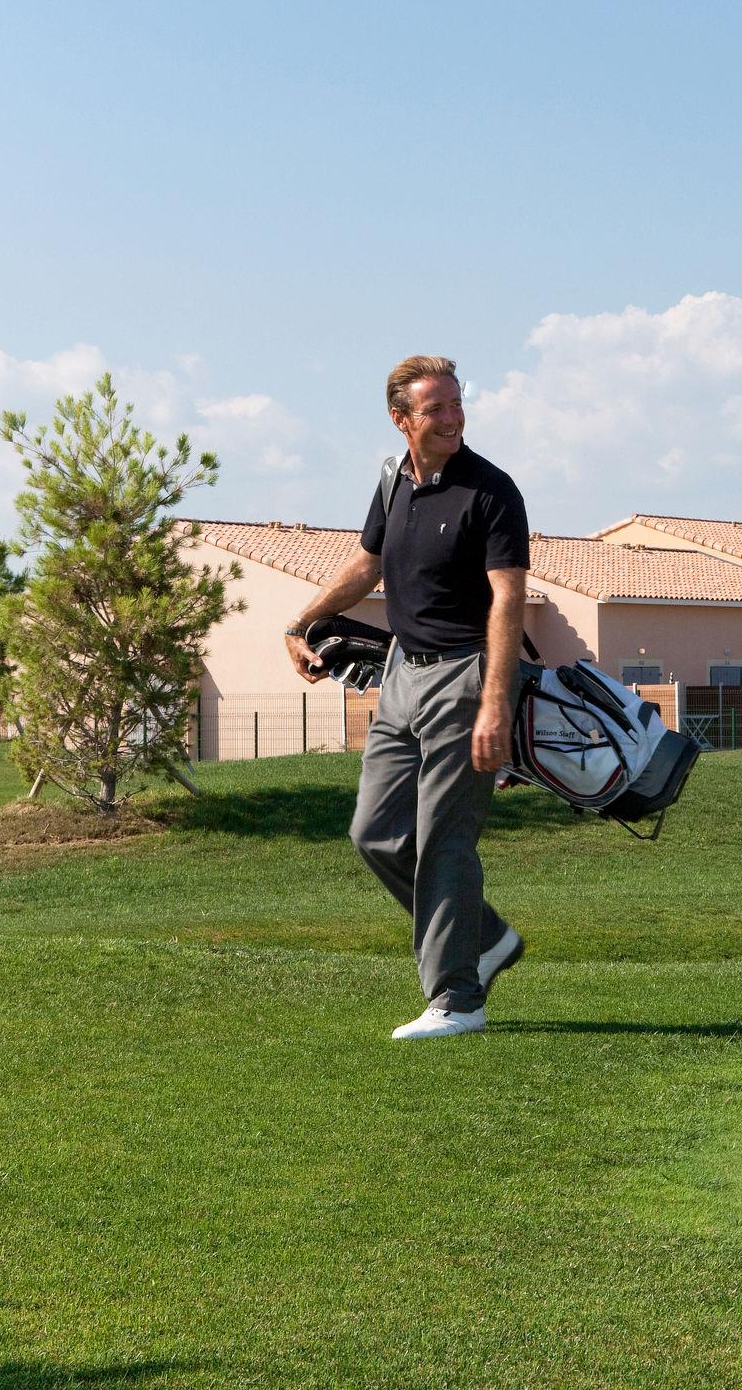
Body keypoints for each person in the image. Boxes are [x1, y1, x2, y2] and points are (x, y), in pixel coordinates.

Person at [285, 355, 530, 1041]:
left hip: (465, 676)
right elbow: (367, 564)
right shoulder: (392, 482)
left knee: (445, 840)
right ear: (402, 421)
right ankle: (484, 938)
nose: (452, 418)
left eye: (457, 404)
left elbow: (509, 597)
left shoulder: (492, 490)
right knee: (375, 833)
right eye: (436, 410)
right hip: (399, 675)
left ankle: (458, 998)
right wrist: (302, 622)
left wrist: (495, 702)